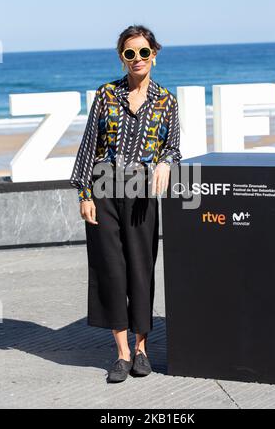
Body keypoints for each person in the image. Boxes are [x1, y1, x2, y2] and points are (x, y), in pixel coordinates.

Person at [70, 24, 182, 383]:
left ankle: (142, 350)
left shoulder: (167, 102)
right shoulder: (106, 94)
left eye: (143, 52)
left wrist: (164, 162)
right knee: (111, 270)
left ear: (154, 55)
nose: (137, 59)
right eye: (130, 53)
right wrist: (84, 194)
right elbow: (89, 145)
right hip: (103, 187)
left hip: (141, 192)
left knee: (140, 268)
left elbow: (174, 146)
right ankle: (120, 353)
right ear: (122, 57)